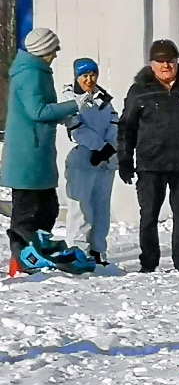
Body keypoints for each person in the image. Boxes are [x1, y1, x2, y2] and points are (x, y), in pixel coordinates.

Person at [118, 39, 179, 273]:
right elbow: (126, 127)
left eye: (170, 61)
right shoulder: (140, 90)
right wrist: (124, 158)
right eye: (160, 62)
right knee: (149, 215)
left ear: (177, 62)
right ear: (151, 64)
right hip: (150, 164)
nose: (165, 66)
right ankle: (149, 261)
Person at [3, 29, 79, 265]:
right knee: (28, 212)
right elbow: (37, 111)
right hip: (27, 156)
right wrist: (73, 105)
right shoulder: (30, 75)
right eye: (54, 49)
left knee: (48, 208)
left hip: (38, 154)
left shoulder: (38, 72)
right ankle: (24, 257)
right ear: (43, 49)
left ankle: (37, 252)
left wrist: (64, 116)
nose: (56, 54)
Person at [62, 58, 116, 265]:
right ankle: (78, 250)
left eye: (93, 74)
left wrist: (110, 146)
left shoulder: (102, 97)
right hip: (83, 157)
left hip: (105, 159)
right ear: (77, 76)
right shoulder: (69, 97)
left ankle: (97, 250)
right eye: (84, 75)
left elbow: (114, 121)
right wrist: (98, 147)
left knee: (101, 206)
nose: (89, 79)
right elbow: (74, 126)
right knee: (81, 207)